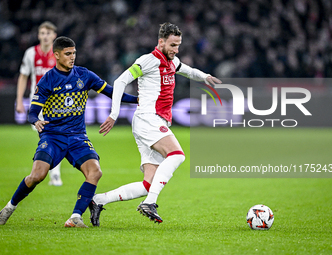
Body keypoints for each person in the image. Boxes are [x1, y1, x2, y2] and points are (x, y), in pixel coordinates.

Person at [89, 22, 222, 226]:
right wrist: (114, 114)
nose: (176, 50)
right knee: (177, 155)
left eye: (178, 45)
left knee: (147, 184)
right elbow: (120, 81)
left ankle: (98, 200)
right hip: (148, 118)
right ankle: (149, 203)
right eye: (172, 45)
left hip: (152, 121)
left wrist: (206, 77)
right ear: (161, 42)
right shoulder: (148, 61)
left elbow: (189, 71)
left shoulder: (172, 61)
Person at [0, 36, 138, 228]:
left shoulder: (84, 75)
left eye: (74, 53)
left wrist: (138, 100)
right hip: (52, 136)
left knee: (95, 172)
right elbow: (32, 111)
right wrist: (36, 121)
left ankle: (75, 217)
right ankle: (8, 208)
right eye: (68, 54)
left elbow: (112, 92)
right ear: (56, 55)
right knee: (37, 176)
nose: (72, 57)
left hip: (77, 136)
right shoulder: (48, 79)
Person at [16, 21, 63, 186]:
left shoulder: (59, 53)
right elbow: (23, 76)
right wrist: (19, 100)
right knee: (45, 137)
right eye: (42, 33)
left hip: (57, 103)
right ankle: (49, 171)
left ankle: (54, 173)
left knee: (52, 136)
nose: (45, 36)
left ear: (54, 36)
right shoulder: (30, 53)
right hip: (37, 103)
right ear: (38, 35)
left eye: (48, 33)